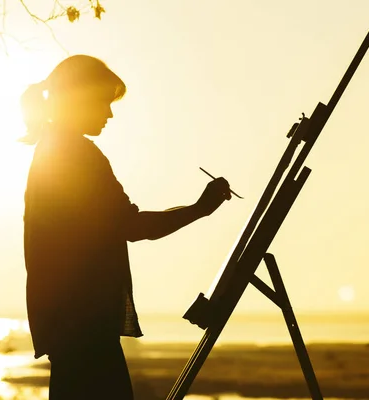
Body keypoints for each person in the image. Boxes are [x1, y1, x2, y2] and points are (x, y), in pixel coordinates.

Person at [20, 54, 232, 399]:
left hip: (71, 324)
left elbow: (119, 223)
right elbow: (129, 225)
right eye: (104, 102)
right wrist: (199, 210)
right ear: (80, 99)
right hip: (82, 325)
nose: (109, 114)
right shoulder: (74, 155)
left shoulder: (56, 149)